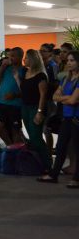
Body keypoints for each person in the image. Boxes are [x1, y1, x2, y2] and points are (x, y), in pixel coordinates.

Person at [38, 50, 79, 187]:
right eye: (68, 60)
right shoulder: (66, 79)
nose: (69, 63)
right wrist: (67, 98)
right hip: (66, 118)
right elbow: (55, 97)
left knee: (77, 149)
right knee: (60, 148)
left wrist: (65, 98)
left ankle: (77, 178)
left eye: (72, 60)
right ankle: (53, 175)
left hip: (76, 119)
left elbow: (73, 101)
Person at [16, 49, 52, 170]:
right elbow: (24, 90)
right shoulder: (26, 72)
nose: (24, 60)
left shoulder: (41, 75)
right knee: (32, 136)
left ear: (33, 59)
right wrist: (17, 79)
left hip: (36, 108)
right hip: (25, 107)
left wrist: (39, 112)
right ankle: (38, 164)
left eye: (26, 58)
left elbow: (43, 95)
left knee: (36, 137)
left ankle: (48, 164)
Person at [0, 47, 26, 147]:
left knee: (15, 130)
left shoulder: (25, 70)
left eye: (13, 56)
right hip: (0, 104)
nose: (10, 58)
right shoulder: (6, 68)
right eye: (9, 56)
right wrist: (3, 66)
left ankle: (16, 150)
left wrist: (15, 95)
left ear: (20, 57)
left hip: (16, 105)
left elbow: (27, 91)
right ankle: (10, 146)